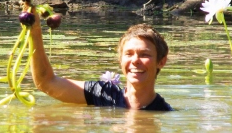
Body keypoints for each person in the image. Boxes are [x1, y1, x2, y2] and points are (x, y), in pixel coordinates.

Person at [29, 12, 172, 111]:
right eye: (128, 54)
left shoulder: (163, 112)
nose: (135, 60)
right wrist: (35, 31)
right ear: (120, 60)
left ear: (161, 61)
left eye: (144, 55)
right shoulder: (103, 95)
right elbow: (46, 83)